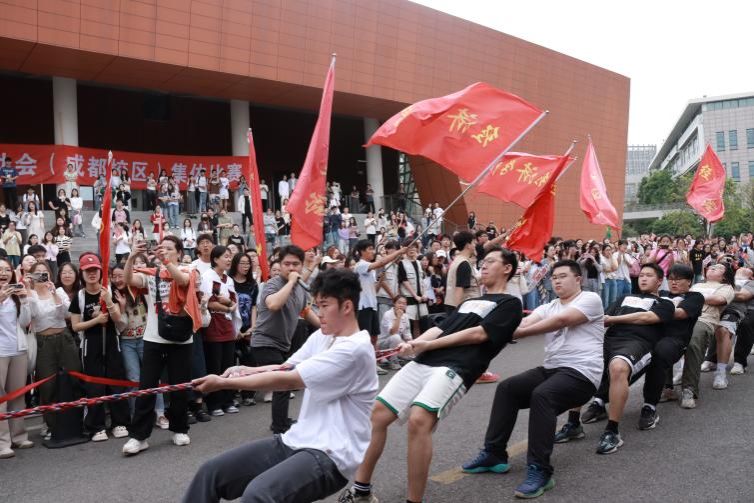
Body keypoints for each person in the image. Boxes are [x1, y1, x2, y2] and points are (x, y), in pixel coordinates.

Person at [339, 246, 522, 503]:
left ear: (507, 268)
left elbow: (479, 334)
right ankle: (361, 491)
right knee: (377, 415)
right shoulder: (468, 302)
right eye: (483, 261)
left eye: (491, 261)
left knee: (419, 420)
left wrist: (429, 345)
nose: (484, 265)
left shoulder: (510, 304)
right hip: (424, 361)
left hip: (456, 367)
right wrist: (415, 343)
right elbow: (441, 329)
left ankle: (414, 500)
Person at [184, 268, 377, 502]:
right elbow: (286, 368)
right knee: (211, 473)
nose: (319, 313)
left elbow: (289, 380)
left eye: (325, 306)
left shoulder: (355, 349)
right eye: (317, 305)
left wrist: (224, 383)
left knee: (258, 495)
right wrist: (246, 370)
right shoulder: (323, 336)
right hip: (296, 440)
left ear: (347, 307)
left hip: (332, 455)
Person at [461, 259, 604, 499]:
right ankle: (494, 453)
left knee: (543, 395)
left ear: (578, 279)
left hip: (582, 373)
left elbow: (561, 321)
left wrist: (516, 333)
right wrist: (493, 331)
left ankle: (540, 470)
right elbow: (524, 323)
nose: (556, 281)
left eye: (563, 276)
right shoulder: (549, 306)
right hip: (553, 369)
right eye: (554, 277)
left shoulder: (590, 299)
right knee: (508, 389)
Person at [579, 263, 675, 454]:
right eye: (641, 275)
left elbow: (646, 318)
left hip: (637, 342)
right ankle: (573, 423)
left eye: (649, 275)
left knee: (618, 367)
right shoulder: (624, 297)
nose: (643, 278)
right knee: (581, 361)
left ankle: (612, 431)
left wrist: (613, 320)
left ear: (659, 281)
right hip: (609, 339)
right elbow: (604, 317)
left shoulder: (665, 303)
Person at [121, 235, 202, 455]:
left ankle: (179, 429)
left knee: (179, 386)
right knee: (147, 387)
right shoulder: (152, 273)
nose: (164, 251)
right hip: (153, 337)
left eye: (169, 248)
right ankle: (139, 436)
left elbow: (182, 281)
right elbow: (128, 280)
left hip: (181, 338)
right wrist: (132, 256)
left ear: (179, 252)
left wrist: (166, 262)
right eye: (161, 248)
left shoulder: (190, 269)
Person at [250, 245, 320, 434]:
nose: (291, 268)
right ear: (280, 265)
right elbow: (273, 304)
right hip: (265, 342)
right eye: (286, 264)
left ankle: (281, 421)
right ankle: (279, 427)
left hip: (282, 343)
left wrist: (325, 327)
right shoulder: (273, 284)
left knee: (283, 384)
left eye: (295, 264)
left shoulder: (300, 288)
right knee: (282, 384)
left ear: (301, 265)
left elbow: (305, 311)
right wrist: (290, 282)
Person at [69, 253, 130, 442]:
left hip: (112, 341)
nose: (92, 274)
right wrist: (96, 320)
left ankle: (120, 422)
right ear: (82, 273)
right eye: (88, 271)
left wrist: (109, 301)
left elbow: (118, 319)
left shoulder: (109, 290)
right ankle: (97, 426)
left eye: (95, 270)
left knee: (116, 381)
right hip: (90, 344)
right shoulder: (80, 296)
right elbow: (75, 326)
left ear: (101, 271)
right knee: (94, 385)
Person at [28, 261, 81, 435]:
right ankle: (50, 424)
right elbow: (33, 315)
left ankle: (77, 419)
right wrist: (29, 291)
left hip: (64, 337)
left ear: (50, 275)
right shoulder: (30, 294)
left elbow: (65, 314)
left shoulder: (58, 291)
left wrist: (54, 294)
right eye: (37, 273)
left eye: (45, 272)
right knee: (47, 384)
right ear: (31, 276)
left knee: (75, 376)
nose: (41, 275)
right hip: (43, 341)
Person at [679, 262, 735, 406]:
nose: (713, 267)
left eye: (719, 268)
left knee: (693, 342)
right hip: (682, 315)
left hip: (704, 319)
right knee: (663, 341)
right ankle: (667, 387)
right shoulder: (697, 285)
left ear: (724, 276)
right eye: (712, 266)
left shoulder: (726, 287)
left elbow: (718, 300)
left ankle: (689, 389)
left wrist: (690, 297)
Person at [0, 256, 33, 459]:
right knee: (1, 398)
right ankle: (2, 442)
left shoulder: (14, 295)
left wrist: (24, 299)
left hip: (18, 349)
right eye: (0, 270)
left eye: (6, 269)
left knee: (17, 395)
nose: (3, 273)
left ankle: (19, 436)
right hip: (0, 352)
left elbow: (25, 322)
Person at [201, 246, 240, 417]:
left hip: (228, 324)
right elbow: (209, 302)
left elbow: (233, 302)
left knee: (228, 365)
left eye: (230, 256)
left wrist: (229, 305)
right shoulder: (207, 277)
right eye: (225, 256)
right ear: (215, 259)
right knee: (214, 365)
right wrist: (228, 307)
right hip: (213, 324)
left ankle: (228, 400)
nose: (229, 259)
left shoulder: (229, 279)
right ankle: (214, 403)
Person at [353, 239, 406, 348]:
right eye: (370, 249)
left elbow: (375, 290)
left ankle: (373, 356)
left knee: (374, 336)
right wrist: (399, 252)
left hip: (372, 305)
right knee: (365, 337)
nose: (373, 252)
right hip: (363, 306)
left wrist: (381, 280)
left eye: (373, 249)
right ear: (362, 251)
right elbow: (381, 262)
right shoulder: (360, 265)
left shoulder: (371, 269)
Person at [444, 230, 479, 313]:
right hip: (463, 308)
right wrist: (458, 314)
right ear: (468, 245)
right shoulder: (464, 263)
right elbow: (459, 289)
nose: (475, 245)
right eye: (473, 243)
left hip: (453, 305)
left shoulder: (457, 260)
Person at [378, 295, 411, 370]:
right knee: (396, 337)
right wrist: (398, 317)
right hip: (383, 344)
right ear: (394, 304)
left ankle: (396, 356)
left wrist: (411, 348)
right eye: (399, 303)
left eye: (404, 303)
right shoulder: (387, 314)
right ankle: (393, 361)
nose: (401, 305)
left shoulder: (405, 316)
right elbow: (393, 332)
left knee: (413, 355)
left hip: (397, 343)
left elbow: (407, 336)